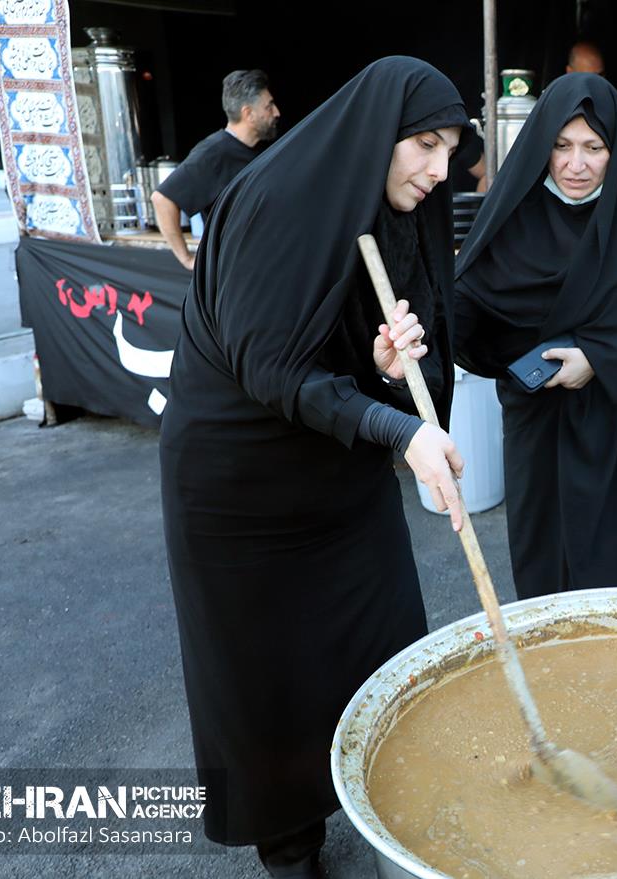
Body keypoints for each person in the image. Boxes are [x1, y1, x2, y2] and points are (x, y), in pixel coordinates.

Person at [159, 58, 469, 877]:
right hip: (240, 489)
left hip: (336, 471)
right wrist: (396, 431)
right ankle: (288, 843)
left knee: (381, 635)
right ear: (377, 134)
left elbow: (358, 356)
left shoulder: (397, 208)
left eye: (451, 150)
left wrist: (384, 369)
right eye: (425, 145)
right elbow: (270, 369)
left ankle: (387, 795)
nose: (440, 170)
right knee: (267, 675)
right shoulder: (274, 201)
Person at [453, 73, 617, 600]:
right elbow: (467, 309)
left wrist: (598, 355)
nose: (576, 164)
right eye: (562, 146)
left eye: (594, 147)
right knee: (549, 568)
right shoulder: (512, 220)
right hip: (542, 429)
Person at [151, 70, 280, 270]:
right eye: (269, 106)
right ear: (248, 113)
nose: (276, 112)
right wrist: (186, 259)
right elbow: (162, 199)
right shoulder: (213, 153)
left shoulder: (258, 149)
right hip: (238, 273)